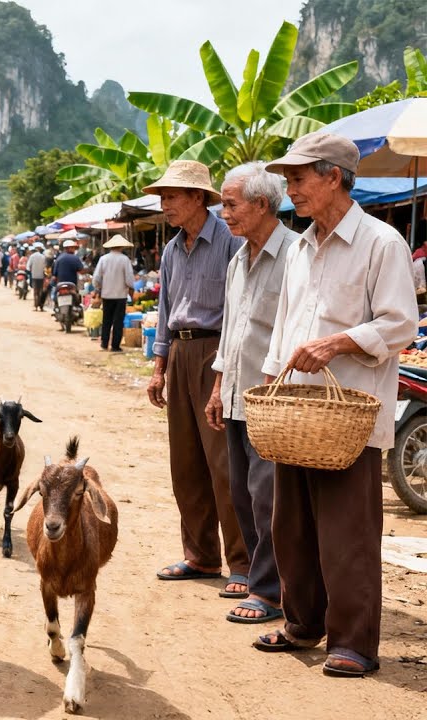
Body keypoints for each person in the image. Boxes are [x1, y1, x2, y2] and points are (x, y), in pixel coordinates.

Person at [253, 133, 417, 677]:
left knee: (347, 533)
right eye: (288, 180)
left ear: (334, 177)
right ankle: (304, 623)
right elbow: (284, 327)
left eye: (299, 179)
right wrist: (270, 381)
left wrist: (337, 342)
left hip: (351, 416)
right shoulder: (301, 246)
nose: (290, 190)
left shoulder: (381, 242)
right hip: (296, 416)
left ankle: (352, 642)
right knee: (291, 527)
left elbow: (400, 323)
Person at [145, 160, 250, 598]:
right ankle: (201, 555)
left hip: (216, 350)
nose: (165, 204)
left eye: (171, 196)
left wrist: (220, 375)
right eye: (163, 197)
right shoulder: (171, 250)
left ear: (196, 198)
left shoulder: (229, 241)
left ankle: (243, 565)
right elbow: (167, 312)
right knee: (185, 463)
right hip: (182, 349)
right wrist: (158, 367)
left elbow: (236, 310)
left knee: (224, 464)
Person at [202, 162, 295, 624]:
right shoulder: (238, 259)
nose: (224, 212)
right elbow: (231, 331)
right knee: (242, 493)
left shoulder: (297, 255)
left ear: (261, 205)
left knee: (267, 496)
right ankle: (263, 581)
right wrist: (219, 385)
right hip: (237, 395)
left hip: (274, 401)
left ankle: (270, 592)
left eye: (231, 203)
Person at [93, 235, 135, 352]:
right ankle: (115, 346)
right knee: (118, 321)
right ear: (121, 246)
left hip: (106, 295)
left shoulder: (103, 259)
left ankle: (104, 343)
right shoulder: (124, 259)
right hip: (120, 296)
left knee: (106, 320)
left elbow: (96, 277)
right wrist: (131, 290)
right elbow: (129, 279)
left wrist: (99, 288)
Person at [26, 247, 47, 311]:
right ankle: (41, 306)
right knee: (41, 291)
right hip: (42, 276)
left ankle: (35, 306)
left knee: (35, 292)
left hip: (34, 276)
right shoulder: (43, 257)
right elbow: (45, 267)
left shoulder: (32, 256)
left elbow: (28, 267)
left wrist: (31, 271)